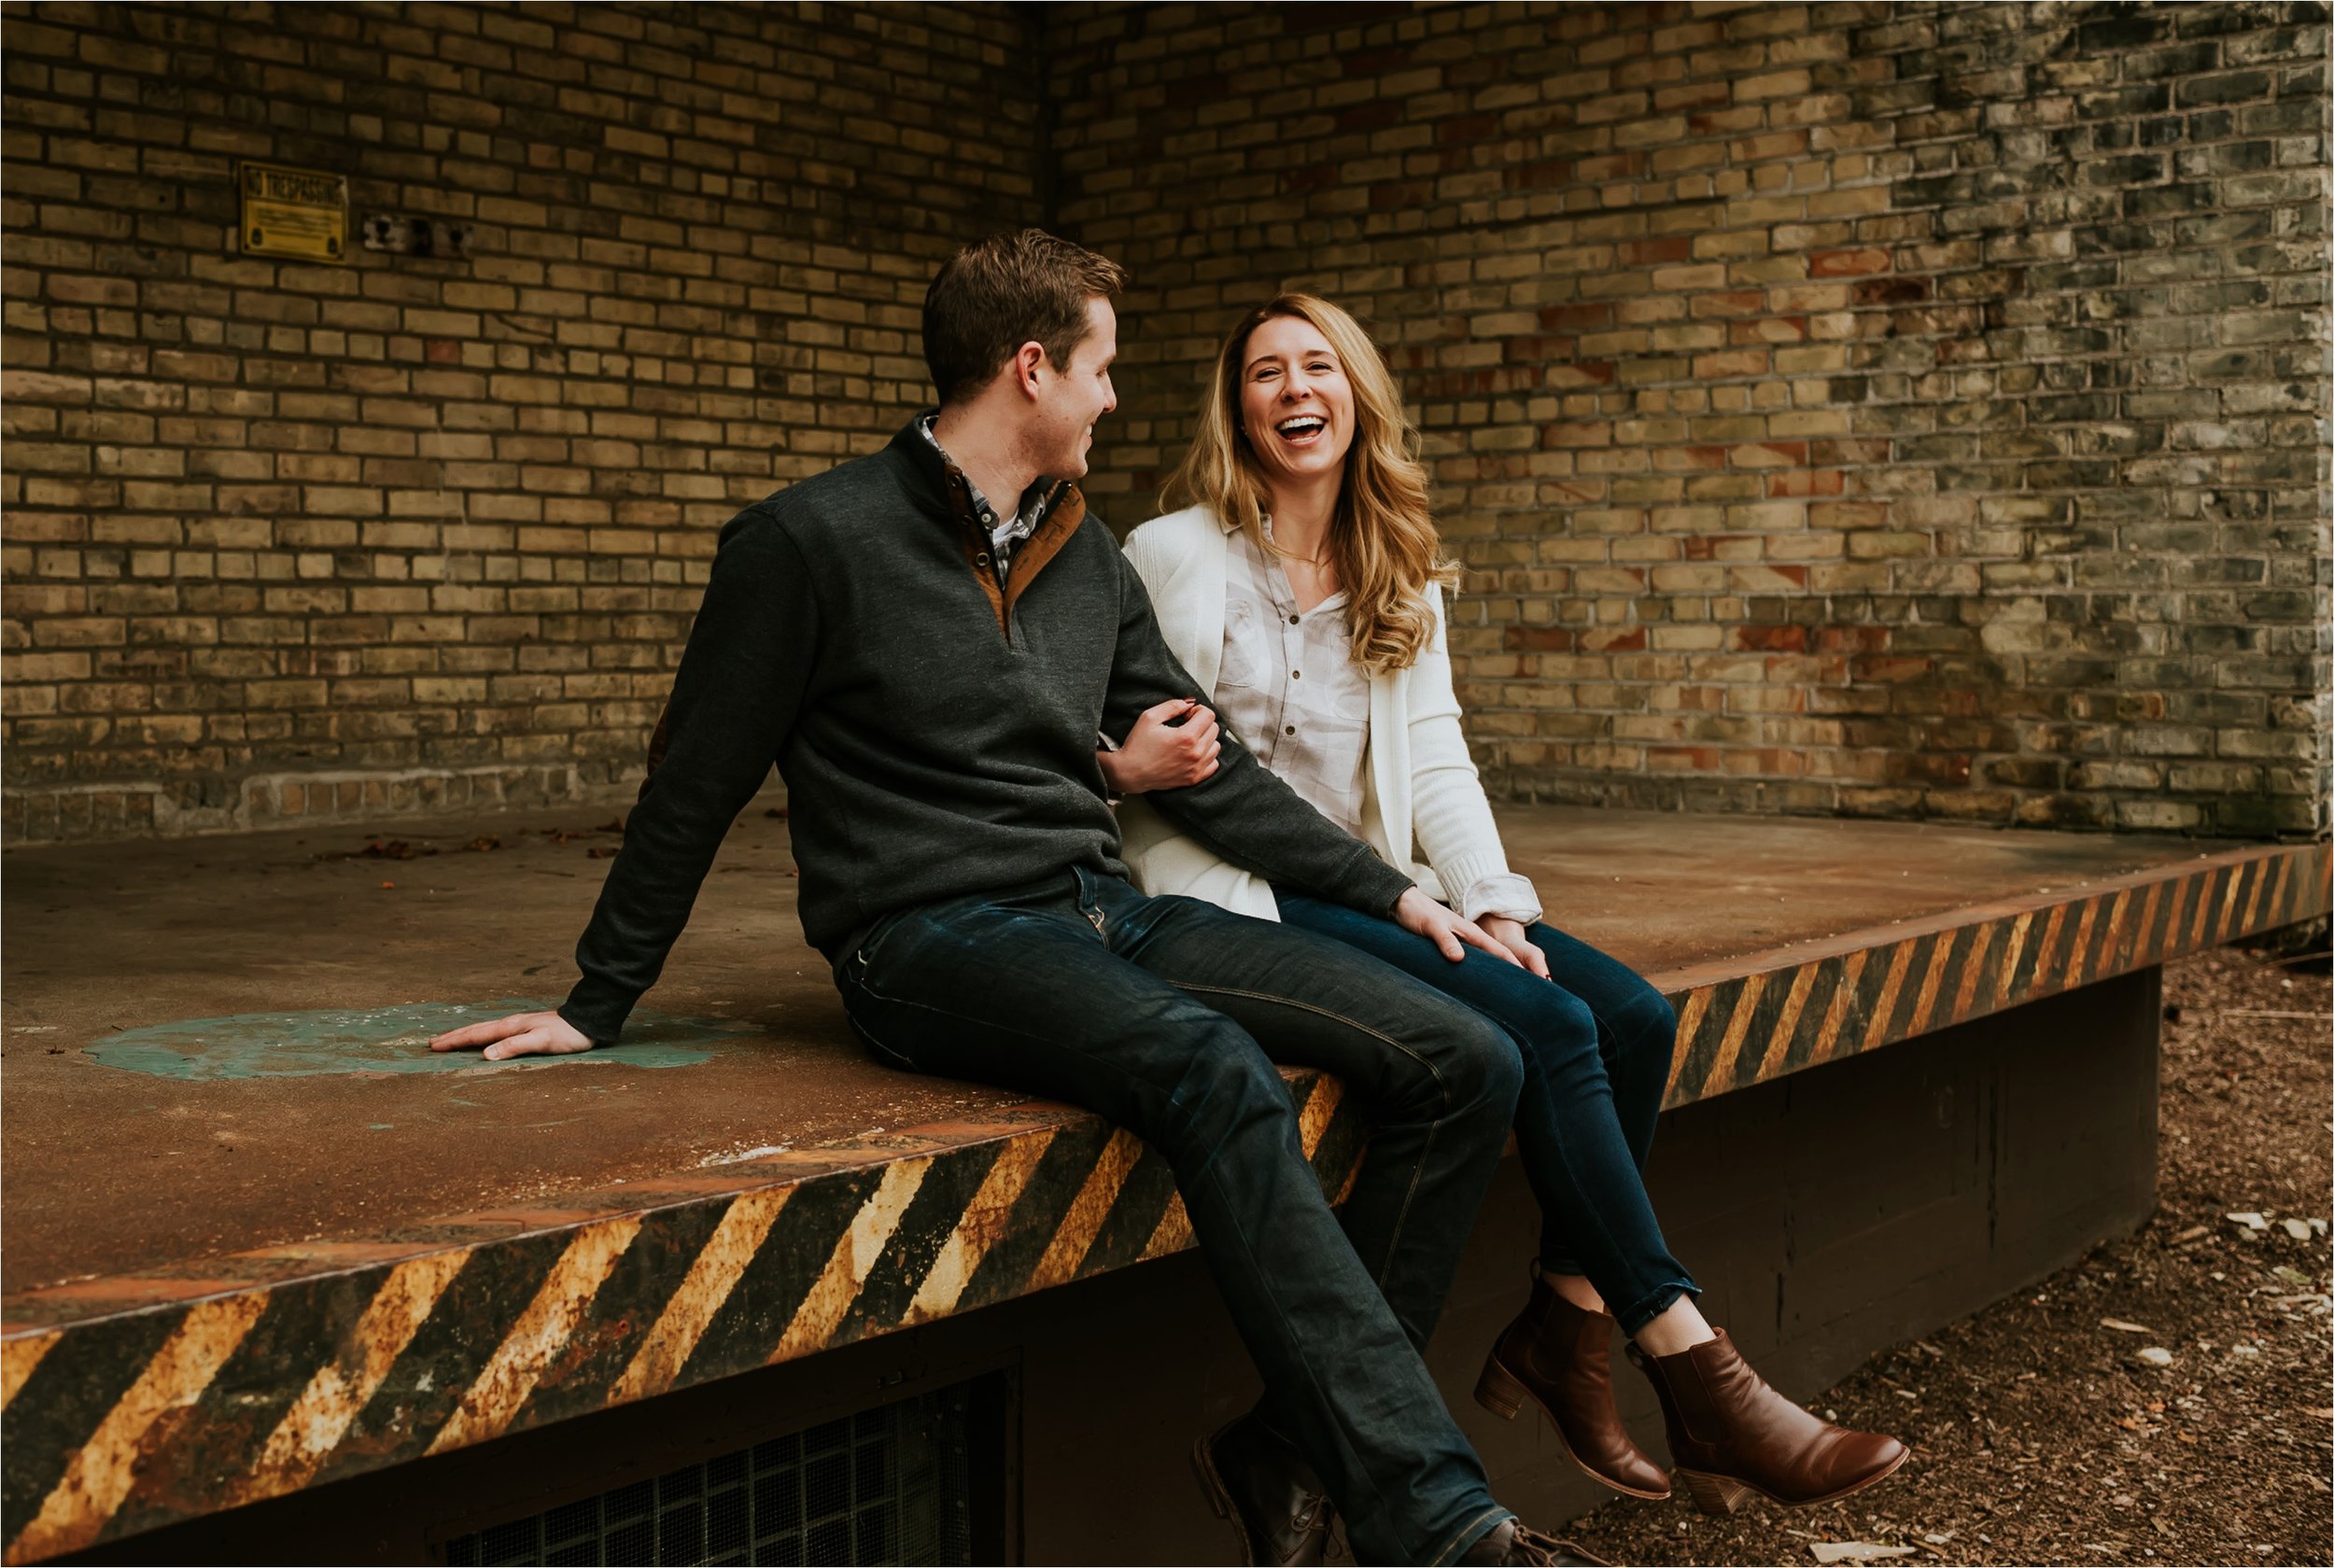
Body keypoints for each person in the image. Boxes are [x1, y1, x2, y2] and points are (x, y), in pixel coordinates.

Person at [431, 234, 1594, 1568]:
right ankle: (1438, 1529)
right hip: (928, 934)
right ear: (1032, 369)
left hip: (1100, 905)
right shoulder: (806, 542)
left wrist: (1394, 897)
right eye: (1100, 370)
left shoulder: (1081, 555)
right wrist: (599, 997)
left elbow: (1209, 770)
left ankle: (1294, 1438)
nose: (1113, 399)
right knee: (1212, 1069)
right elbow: (691, 783)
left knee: (1466, 1057)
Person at [1104, 293, 1908, 1527]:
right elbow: (1175, 761)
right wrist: (1407, 905)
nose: (1292, 389)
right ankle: (1691, 1360)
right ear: (1237, 407)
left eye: (1318, 365)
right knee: (1542, 1032)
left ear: (1358, 394)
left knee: (1626, 1014)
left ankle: (1565, 1321)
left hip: (1376, 880)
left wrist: (1494, 905)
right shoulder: (1172, 552)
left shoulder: (1400, 566)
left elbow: (1433, 764)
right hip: (1240, 891)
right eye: (1264, 373)